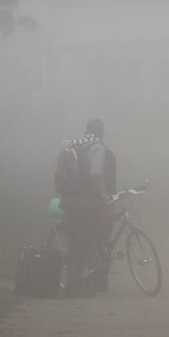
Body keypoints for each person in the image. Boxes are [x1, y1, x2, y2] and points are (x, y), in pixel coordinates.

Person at [61, 119, 112, 296]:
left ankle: (72, 280)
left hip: (70, 202)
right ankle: (73, 287)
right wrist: (104, 195)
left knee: (75, 243)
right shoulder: (98, 148)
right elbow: (96, 173)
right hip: (86, 205)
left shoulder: (78, 148)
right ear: (102, 132)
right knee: (85, 243)